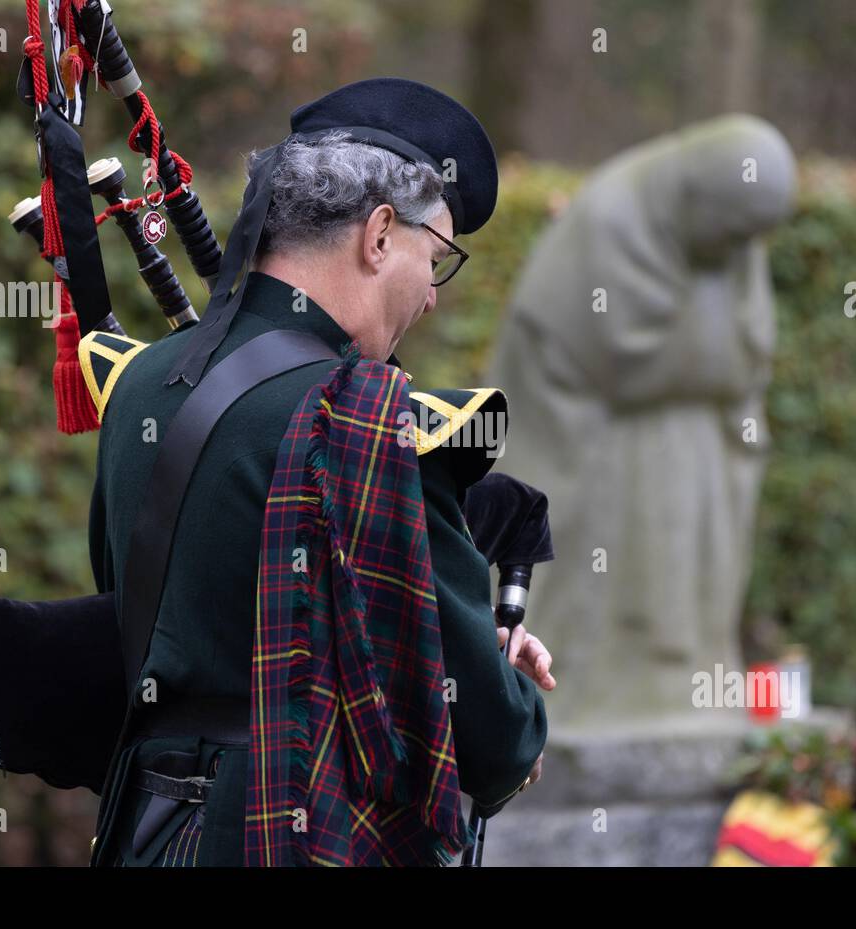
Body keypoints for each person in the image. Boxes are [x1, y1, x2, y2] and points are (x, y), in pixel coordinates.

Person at [79, 78, 553, 866]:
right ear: (377, 235)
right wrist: (513, 692)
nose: (431, 298)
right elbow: (489, 738)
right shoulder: (374, 421)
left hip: (140, 831)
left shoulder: (137, 384)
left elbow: (125, 609)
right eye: (435, 259)